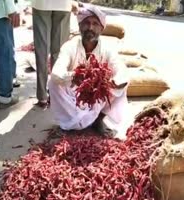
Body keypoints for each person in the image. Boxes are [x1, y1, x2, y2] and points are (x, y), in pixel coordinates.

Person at [48, 4, 129, 137]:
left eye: (95, 24)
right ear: (80, 26)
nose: (90, 27)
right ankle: (67, 123)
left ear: (101, 29)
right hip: (74, 92)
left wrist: (115, 81)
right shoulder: (70, 46)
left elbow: (122, 71)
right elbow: (57, 72)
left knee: (123, 84)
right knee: (53, 82)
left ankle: (98, 120)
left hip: (98, 93)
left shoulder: (108, 49)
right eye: (86, 23)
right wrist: (73, 77)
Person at [32, 0, 78, 108]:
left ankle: (42, 96)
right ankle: (56, 94)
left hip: (41, 4)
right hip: (63, 4)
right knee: (59, 52)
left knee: (41, 50)